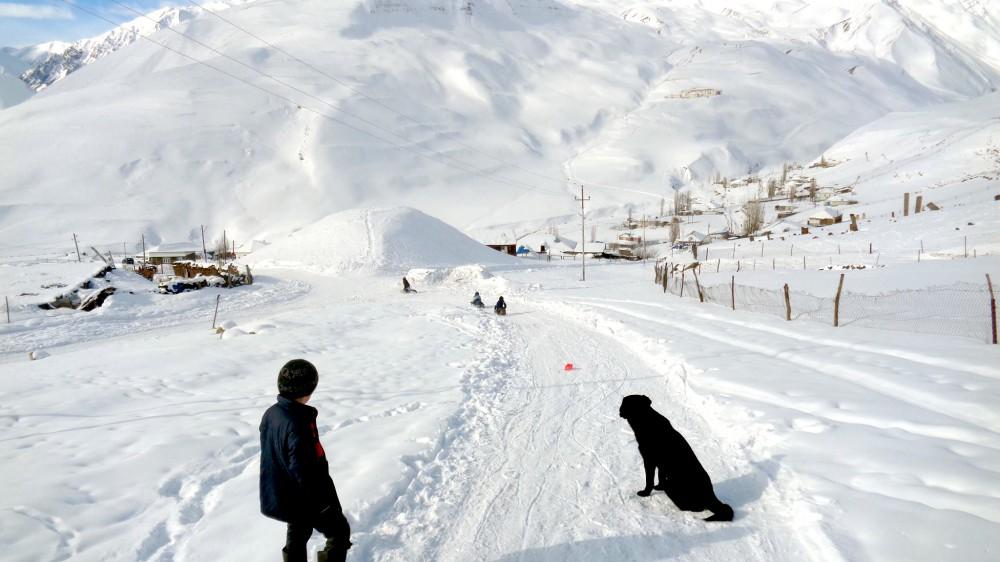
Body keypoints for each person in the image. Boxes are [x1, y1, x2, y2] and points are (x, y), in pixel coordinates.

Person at [260, 359, 352, 562]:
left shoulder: (272, 413)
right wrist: (322, 504)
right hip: (306, 495)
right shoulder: (297, 422)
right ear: (307, 390)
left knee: (298, 532)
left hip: (283, 492)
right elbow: (303, 469)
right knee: (339, 532)